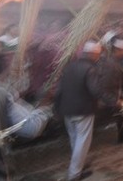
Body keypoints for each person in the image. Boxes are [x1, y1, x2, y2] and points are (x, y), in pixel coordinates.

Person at [54, 40, 102, 181]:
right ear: (93, 55)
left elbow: (59, 90)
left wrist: (57, 108)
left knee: (75, 139)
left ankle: (80, 166)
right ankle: (74, 174)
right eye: (98, 55)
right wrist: (111, 100)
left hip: (66, 109)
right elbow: (95, 91)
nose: (98, 57)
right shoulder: (91, 69)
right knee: (82, 142)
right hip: (83, 110)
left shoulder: (69, 66)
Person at [97, 38, 123, 144]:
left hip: (117, 92)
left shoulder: (114, 61)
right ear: (118, 50)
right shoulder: (110, 63)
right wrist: (110, 98)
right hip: (113, 94)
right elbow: (106, 82)